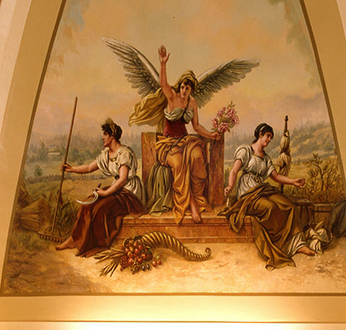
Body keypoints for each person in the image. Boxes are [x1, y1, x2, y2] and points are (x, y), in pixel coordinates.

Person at [131, 47, 220, 225]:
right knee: (178, 164)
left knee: (196, 157)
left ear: (191, 89)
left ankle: (196, 197)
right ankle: (190, 204)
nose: (185, 90)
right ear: (179, 85)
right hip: (167, 144)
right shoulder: (171, 96)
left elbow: (195, 126)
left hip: (185, 141)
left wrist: (211, 134)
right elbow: (163, 84)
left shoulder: (192, 102)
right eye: (183, 86)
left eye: (188, 88)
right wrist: (163, 64)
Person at [224, 122, 319, 269]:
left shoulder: (266, 158)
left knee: (289, 206)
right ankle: (278, 244)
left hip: (262, 189)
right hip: (248, 193)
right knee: (270, 207)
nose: (269, 140)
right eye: (268, 136)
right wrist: (230, 185)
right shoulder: (245, 150)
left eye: (271, 138)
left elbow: (275, 177)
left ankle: (298, 244)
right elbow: (234, 171)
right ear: (260, 134)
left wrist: (293, 181)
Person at [55, 120, 145, 255]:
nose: (102, 137)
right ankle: (74, 239)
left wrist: (106, 193)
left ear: (112, 135)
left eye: (105, 134)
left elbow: (122, 179)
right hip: (116, 189)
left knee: (101, 207)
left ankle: (97, 243)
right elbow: (89, 167)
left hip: (128, 192)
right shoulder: (106, 155)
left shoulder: (124, 153)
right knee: (88, 202)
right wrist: (71, 169)